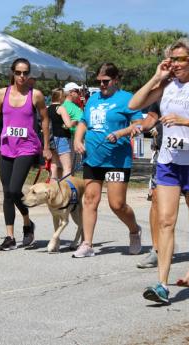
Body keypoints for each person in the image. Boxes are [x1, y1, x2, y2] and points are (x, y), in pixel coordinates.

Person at [128, 38, 189, 304]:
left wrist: (184, 121)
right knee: (165, 221)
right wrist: (156, 76)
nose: (176, 64)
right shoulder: (167, 85)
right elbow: (134, 105)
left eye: (180, 59)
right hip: (169, 162)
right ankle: (162, 284)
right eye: (172, 59)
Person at [72, 62, 143, 258]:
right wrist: (78, 140)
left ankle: (134, 230)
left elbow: (139, 124)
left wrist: (121, 132)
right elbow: (83, 122)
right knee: (90, 200)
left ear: (116, 80)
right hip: (93, 158)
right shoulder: (93, 99)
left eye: (106, 81)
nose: (102, 85)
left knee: (117, 204)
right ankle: (87, 243)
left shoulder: (127, 99)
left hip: (117, 159)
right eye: (99, 81)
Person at [0, 58, 52, 251]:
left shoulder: (35, 95)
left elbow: (45, 120)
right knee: (7, 193)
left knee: (14, 189)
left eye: (25, 73)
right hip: (7, 146)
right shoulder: (2, 94)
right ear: (12, 73)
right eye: (18, 72)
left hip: (27, 147)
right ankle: (11, 236)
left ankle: (27, 223)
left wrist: (46, 147)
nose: (22, 76)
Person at [136, 104, 162, 269]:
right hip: (163, 154)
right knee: (156, 201)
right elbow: (151, 117)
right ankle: (157, 251)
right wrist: (138, 127)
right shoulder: (160, 91)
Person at [48, 88, 76, 179]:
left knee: (54, 165)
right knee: (67, 167)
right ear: (60, 97)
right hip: (62, 138)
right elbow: (68, 124)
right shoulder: (61, 108)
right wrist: (75, 121)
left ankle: (52, 188)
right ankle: (66, 190)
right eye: (64, 96)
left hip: (51, 139)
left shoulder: (47, 108)